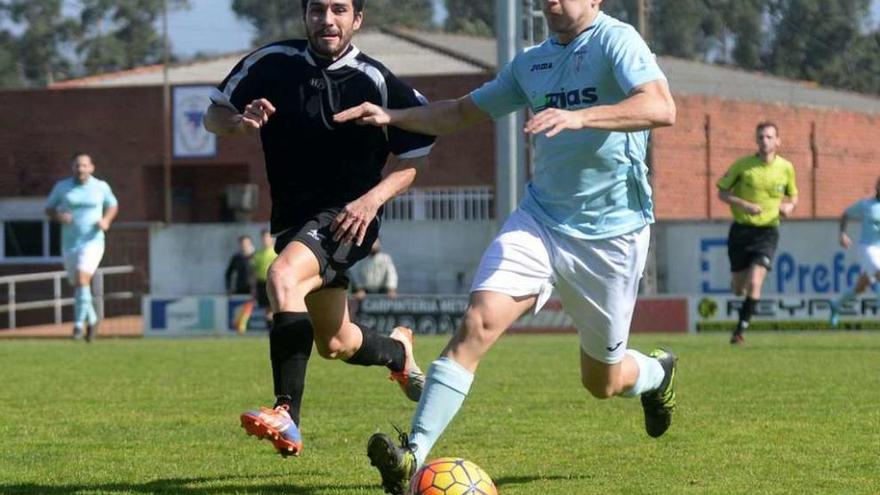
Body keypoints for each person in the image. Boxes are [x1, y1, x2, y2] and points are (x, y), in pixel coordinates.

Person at [334, 1, 677, 492]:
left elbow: (661, 106)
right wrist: (392, 115)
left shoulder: (616, 41)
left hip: (612, 236)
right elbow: (459, 112)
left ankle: (655, 373)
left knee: (602, 381)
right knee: (477, 323)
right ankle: (413, 455)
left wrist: (582, 118)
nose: (552, 1)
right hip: (540, 220)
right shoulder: (530, 62)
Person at [204, 0, 435, 458]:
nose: (327, 20)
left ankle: (286, 415)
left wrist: (371, 201)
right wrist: (238, 122)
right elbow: (214, 115)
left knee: (281, 277)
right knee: (334, 341)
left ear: (357, 19)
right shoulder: (270, 63)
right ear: (304, 16)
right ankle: (396, 352)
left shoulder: (375, 80)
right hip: (293, 220)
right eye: (317, 10)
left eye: (339, 9)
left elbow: (414, 160)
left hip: (349, 218)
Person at [717, 122, 798, 345]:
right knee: (738, 288)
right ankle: (739, 296)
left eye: (770, 137)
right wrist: (743, 204)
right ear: (756, 140)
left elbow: (793, 197)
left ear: (778, 141)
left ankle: (740, 331)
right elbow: (722, 193)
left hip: (768, 231)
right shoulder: (743, 166)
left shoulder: (786, 168)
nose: (765, 141)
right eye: (761, 137)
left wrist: (789, 208)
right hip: (742, 231)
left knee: (755, 281)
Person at [45, 152, 118, 343]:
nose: (81, 169)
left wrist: (106, 220)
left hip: (93, 241)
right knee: (78, 284)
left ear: (91, 167)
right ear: (72, 168)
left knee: (81, 278)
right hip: (70, 243)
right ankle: (93, 320)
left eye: (84, 165)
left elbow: (113, 205)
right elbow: (48, 209)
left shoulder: (100, 187)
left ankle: (78, 325)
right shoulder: (63, 187)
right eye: (77, 166)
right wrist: (59, 216)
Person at [829, 176, 880, 327]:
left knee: (860, 287)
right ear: (877, 188)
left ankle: (836, 304)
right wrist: (842, 234)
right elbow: (846, 214)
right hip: (868, 248)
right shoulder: (866, 205)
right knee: (878, 271)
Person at [252, 229, 278, 327]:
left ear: (271, 239)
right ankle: (269, 328)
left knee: (273, 306)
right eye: (263, 238)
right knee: (266, 307)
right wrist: (253, 288)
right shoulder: (257, 254)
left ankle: (273, 326)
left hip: (272, 282)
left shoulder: (276, 252)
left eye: (267, 237)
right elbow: (254, 272)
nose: (265, 240)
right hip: (261, 283)